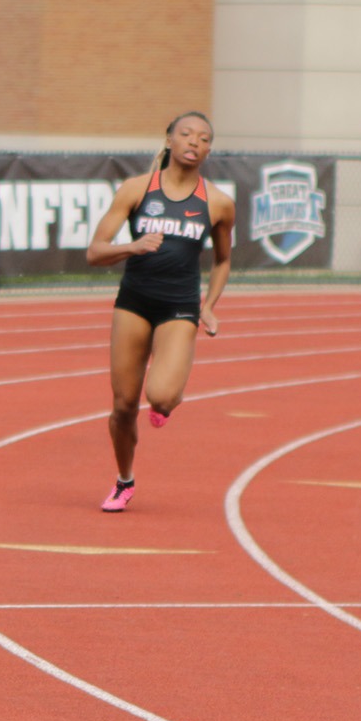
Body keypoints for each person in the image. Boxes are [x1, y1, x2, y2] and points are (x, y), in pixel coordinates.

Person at [85, 110, 234, 512]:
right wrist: (130, 247)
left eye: (204, 138)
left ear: (208, 150)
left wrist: (209, 306)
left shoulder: (217, 203)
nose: (194, 142)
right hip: (134, 303)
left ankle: (167, 402)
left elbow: (222, 261)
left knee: (162, 397)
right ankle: (124, 481)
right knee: (123, 406)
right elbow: (95, 251)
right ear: (169, 140)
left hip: (179, 307)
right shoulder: (136, 190)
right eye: (186, 134)